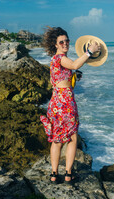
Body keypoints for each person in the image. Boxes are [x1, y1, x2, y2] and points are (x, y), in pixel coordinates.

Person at [40, 27, 100, 184]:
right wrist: (89, 51)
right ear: (55, 44)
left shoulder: (55, 60)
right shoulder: (60, 58)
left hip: (55, 102)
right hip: (65, 102)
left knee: (56, 139)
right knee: (72, 138)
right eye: (62, 42)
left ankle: (54, 174)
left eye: (67, 41)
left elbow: (65, 77)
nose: (65, 43)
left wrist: (73, 77)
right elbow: (74, 65)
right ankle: (68, 174)